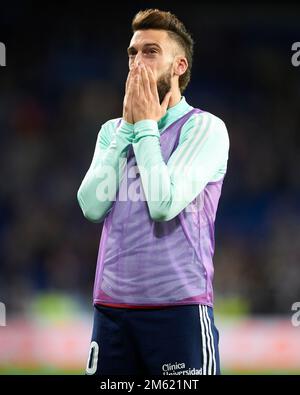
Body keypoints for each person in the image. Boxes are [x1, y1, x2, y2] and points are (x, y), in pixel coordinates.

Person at [77, 8, 229, 375]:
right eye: (132, 52)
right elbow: (91, 206)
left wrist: (143, 126)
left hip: (178, 310)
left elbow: (163, 204)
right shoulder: (112, 131)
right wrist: (128, 131)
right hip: (112, 312)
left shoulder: (205, 128)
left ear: (178, 66)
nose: (137, 62)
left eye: (150, 52)